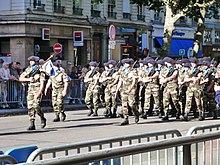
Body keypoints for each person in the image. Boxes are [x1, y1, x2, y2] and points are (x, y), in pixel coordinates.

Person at [19, 56, 46, 130]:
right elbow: (20, 78)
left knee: (36, 106)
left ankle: (42, 117)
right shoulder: (28, 69)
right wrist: (28, 79)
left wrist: (40, 92)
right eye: (30, 60)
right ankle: (32, 123)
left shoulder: (40, 70)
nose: (31, 62)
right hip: (30, 90)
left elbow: (42, 82)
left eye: (32, 61)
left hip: (37, 89)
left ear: (36, 61)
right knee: (30, 107)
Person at [116, 58, 139, 125]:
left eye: (128, 64)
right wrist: (117, 89)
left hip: (131, 89)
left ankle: (136, 113)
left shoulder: (133, 71)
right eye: (125, 64)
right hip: (123, 89)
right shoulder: (122, 70)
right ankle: (126, 118)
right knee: (124, 104)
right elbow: (120, 80)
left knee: (131, 104)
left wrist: (131, 88)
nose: (126, 65)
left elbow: (134, 81)